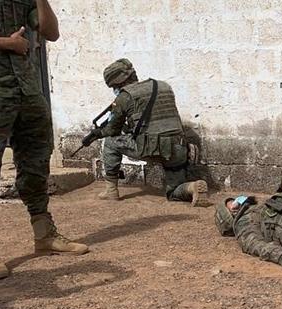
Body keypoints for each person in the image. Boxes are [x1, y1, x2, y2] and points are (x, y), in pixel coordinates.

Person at [0, 0, 89, 281]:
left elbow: (50, 32)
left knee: (36, 158)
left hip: (27, 87)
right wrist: (6, 44)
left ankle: (44, 233)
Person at [79, 58, 209, 206]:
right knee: (173, 192)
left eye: (113, 86)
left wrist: (98, 134)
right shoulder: (163, 85)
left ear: (118, 83)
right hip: (179, 148)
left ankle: (111, 191)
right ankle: (192, 187)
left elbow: (112, 129)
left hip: (151, 149)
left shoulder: (124, 97)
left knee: (110, 142)